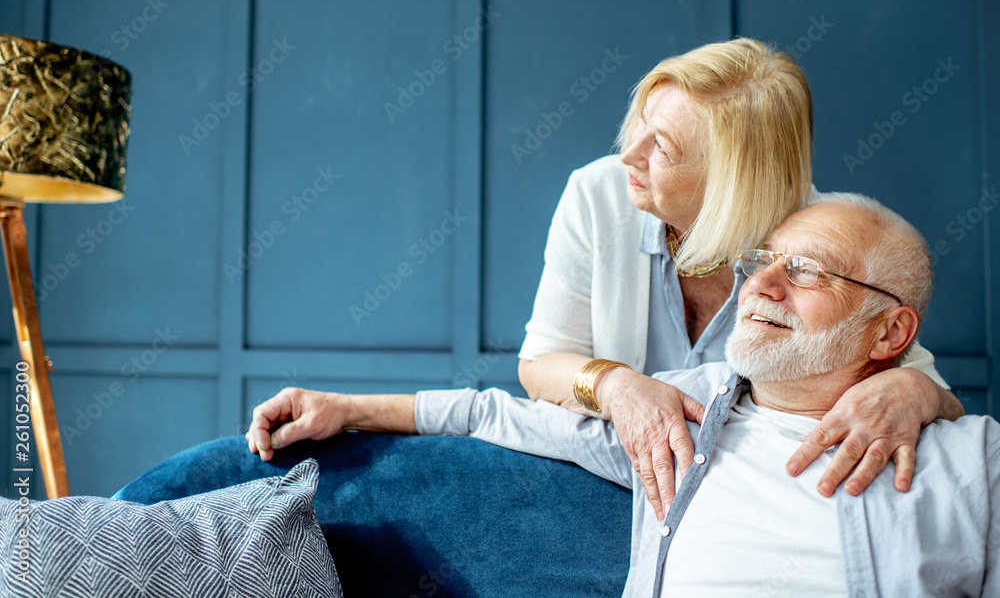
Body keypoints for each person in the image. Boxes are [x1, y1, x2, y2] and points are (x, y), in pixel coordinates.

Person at [247, 196, 999, 597]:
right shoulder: (682, 413)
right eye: (763, 262)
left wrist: (924, 395)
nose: (761, 285)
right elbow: (500, 413)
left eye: (808, 272)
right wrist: (348, 407)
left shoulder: (976, 465)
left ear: (889, 330)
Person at [516, 37, 962, 517]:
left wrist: (914, 391)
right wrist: (617, 386)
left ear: (734, 179)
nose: (629, 155)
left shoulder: (823, 234)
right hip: (614, 482)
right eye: (639, 126)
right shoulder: (598, 195)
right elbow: (540, 363)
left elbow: (935, 393)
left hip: (756, 501)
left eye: (661, 147)